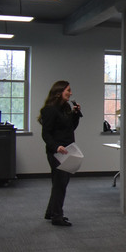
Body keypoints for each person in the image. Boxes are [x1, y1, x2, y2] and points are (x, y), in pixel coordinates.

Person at [39, 80, 82, 227]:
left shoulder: (66, 107)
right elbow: (46, 134)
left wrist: (75, 114)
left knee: (59, 183)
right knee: (60, 183)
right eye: (68, 90)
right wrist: (56, 147)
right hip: (57, 152)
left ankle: (51, 212)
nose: (70, 93)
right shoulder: (50, 110)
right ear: (59, 92)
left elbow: (70, 127)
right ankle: (57, 216)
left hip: (68, 149)